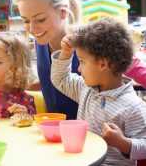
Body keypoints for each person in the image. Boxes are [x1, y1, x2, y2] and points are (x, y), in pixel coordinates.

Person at [12, 0, 146, 119]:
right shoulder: (41, 40)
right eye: (25, 20)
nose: (32, 28)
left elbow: (132, 65)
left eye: (40, 19)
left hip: (94, 135)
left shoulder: (89, 41)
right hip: (55, 132)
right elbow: (55, 82)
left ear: (63, 12)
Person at [51, 18, 146, 165]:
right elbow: (61, 79)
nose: (79, 69)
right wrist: (65, 54)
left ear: (103, 64)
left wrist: (123, 143)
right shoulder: (86, 89)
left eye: (82, 61)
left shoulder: (133, 107)